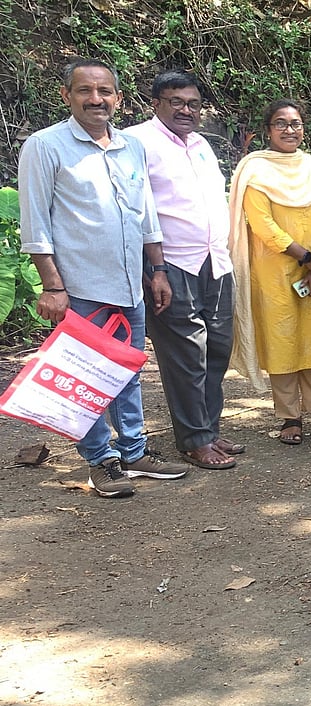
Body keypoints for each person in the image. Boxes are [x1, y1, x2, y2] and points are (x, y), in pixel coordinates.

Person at [18, 58, 189, 498]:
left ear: (118, 97)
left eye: (104, 91)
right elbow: (35, 223)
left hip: (131, 283)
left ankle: (134, 451)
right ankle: (101, 460)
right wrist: (53, 286)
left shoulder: (131, 146)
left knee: (126, 372)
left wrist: (158, 271)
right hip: (79, 289)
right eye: (85, 91)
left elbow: (145, 215)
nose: (96, 99)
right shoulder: (45, 146)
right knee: (86, 377)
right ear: (66, 96)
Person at [126, 69, 242, 470]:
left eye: (192, 103)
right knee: (186, 353)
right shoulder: (137, 142)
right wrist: (154, 268)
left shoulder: (202, 146)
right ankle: (194, 440)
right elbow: (139, 208)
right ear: (155, 103)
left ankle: (207, 428)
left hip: (214, 261)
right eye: (176, 102)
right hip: (170, 263)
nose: (185, 110)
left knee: (217, 349)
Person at [228, 99, 311, 445]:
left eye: (295, 123)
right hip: (273, 269)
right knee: (281, 338)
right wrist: (305, 257)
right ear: (267, 130)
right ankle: (289, 416)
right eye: (280, 123)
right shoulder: (255, 170)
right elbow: (262, 224)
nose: (289, 130)